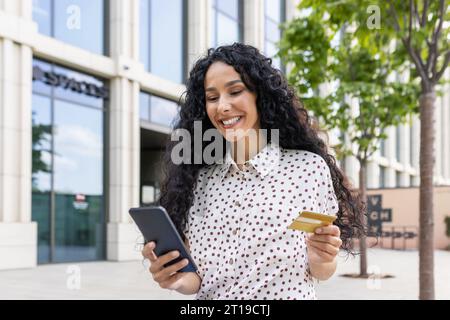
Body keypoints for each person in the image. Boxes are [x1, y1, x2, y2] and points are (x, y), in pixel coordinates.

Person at [142, 43, 365, 300]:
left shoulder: (307, 170)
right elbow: (197, 280)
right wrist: (176, 278)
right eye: (212, 98)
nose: (222, 106)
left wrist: (320, 259)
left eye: (235, 91)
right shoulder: (200, 181)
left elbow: (322, 269)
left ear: (260, 95)